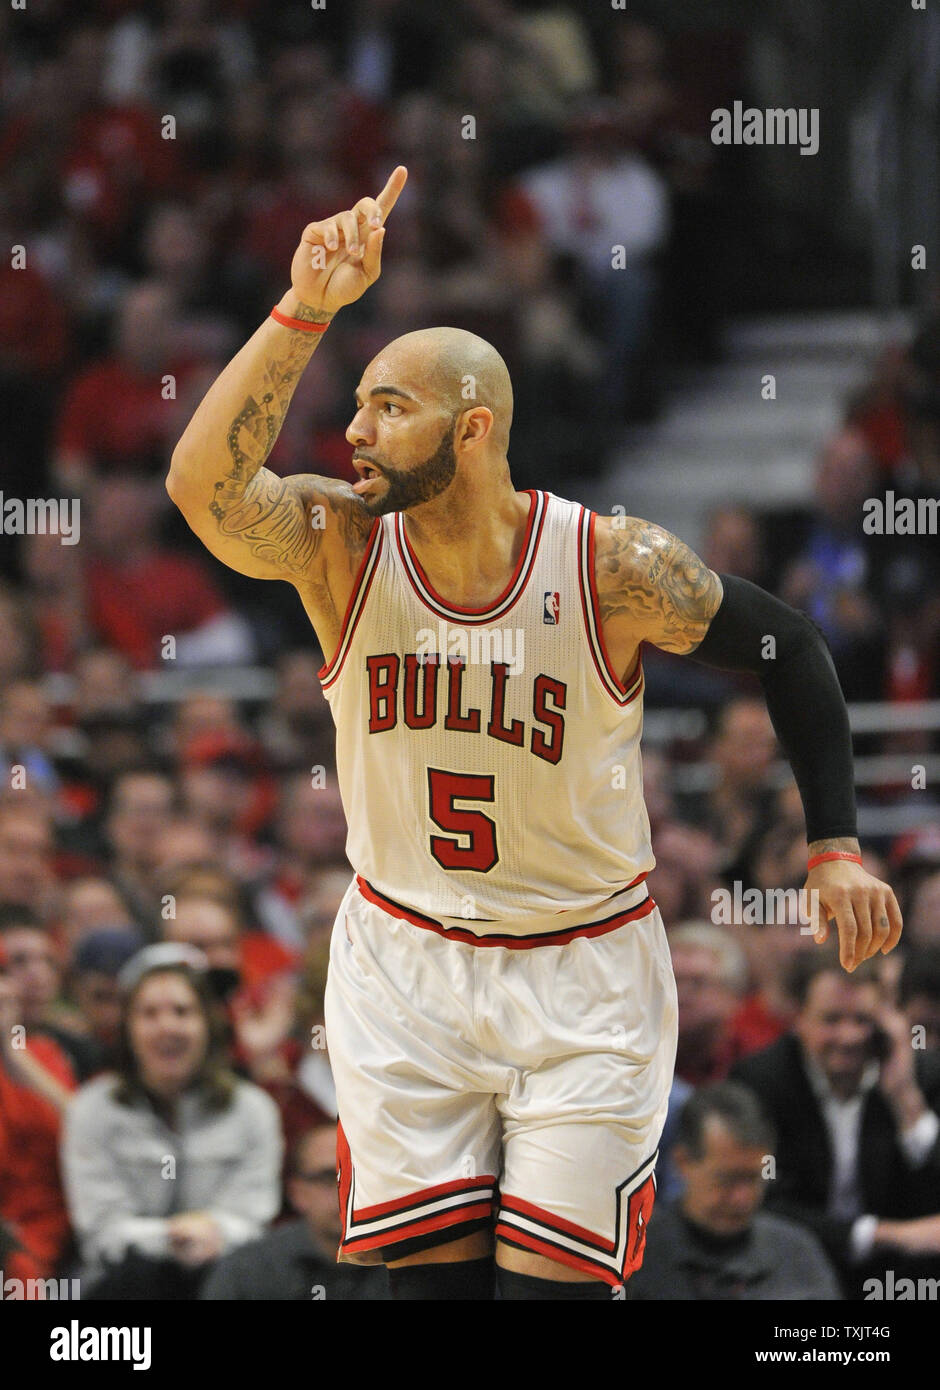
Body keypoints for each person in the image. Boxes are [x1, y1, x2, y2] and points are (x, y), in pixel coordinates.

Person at [166, 165, 903, 1300]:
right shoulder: (342, 544)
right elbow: (203, 487)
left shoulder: (610, 565)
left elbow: (790, 647)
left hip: (582, 971)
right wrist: (306, 304)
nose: (353, 429)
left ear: (470, 430)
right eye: (357, 402)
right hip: (405, 964)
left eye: (387, 407)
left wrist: (835, 844)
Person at [61, 947, 282, 1298]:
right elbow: (100, 1231)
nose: (168, 1027)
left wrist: (214, 1232)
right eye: (149, 1014)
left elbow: (253, 1218)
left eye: (183, 1011)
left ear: (208, 1024)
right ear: (128, 1028)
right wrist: (175, 1236)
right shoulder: (92, 1108)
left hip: (226, 1274)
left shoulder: (252, 1109)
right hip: (123, 1284)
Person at [731, 949, 940, 1298]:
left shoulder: (921, 1075)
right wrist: (882, 1234)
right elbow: (766, 1200)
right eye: (831, 1020)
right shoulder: (761, 1081)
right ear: (799, 1019)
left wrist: (905, 1100)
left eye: (862, 1020)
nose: (849, 1037)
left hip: (904, 1279)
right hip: (792, 1269)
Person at [628, 1083, 841, 1300]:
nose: (742, 1198)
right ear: (683, 1162)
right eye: (727, 1180)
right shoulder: (636, 1260)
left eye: (754, 1179)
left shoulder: (798, 1256)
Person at [201, 1123, 387, 1300]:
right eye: (328, 1178)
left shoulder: (410, 1265)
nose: (348, 1192)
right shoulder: (247, 1271)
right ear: (297, 1193)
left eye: (360, 1174)